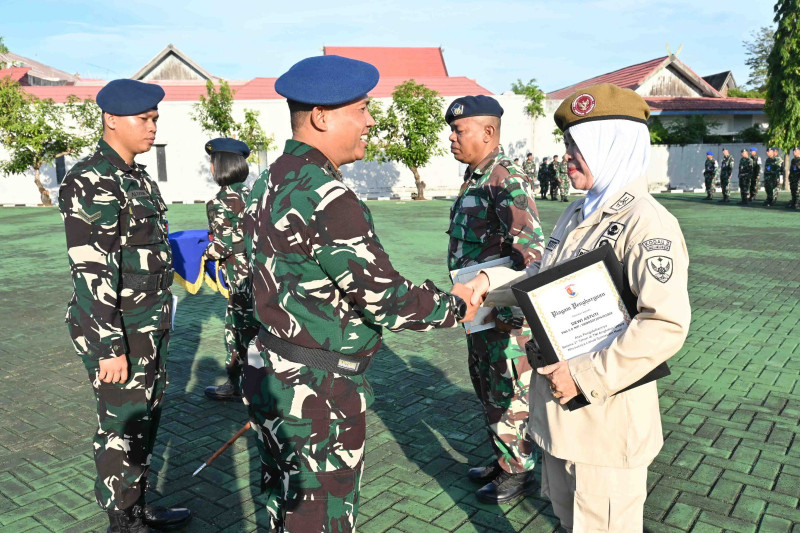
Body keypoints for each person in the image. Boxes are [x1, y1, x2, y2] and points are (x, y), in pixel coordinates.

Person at [241, 55, 478, 532]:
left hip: (271, 370)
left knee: (283, 505)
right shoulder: (327, 194)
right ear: (322, 117)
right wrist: (457, 305)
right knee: (320, 516)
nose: (371, 122)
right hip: (317, 390)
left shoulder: (270, 178)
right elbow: (385, 299)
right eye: (363, 110)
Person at [465, 84, 690, 531]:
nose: (566, 156)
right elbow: (546, 277)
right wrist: (488, 283)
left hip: (605, 421)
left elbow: (664, 324)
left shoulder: (647, 223)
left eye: (578, 146)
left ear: (613, 146)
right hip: (562, 418)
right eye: (567, 145)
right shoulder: (577, 212)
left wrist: (584, 375)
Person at [58, 79, 191, 533]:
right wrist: (110, 345)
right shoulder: (91, 179)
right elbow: (92, 271)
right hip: (118, 327)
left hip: (148, 321)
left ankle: (137, 503)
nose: (153, 127)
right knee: (122, 421)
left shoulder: (136, 176)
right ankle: (122, 518)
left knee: (146, 413)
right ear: (112, 120)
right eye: (144, 119)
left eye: (155, 119)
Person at [445, 95, 544, 503]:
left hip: (501, 311)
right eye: (451, 130)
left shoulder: (505, 177)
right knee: (487, 384)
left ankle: (519, 470)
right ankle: (503, 458)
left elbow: (531, 251)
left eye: (459, 130)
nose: (451, 138)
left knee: (508, 389)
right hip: (481, 310)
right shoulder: (477, 177)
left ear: (488, 133)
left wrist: (506, 308)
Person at [202, 138, 260, 401]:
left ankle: (238, 385)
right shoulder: (256, 195)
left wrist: (199, 254)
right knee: (259, 330)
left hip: (239, 280)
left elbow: (223, 244)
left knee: (235, 330)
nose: (211, 168)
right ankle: (259, 383)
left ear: (220, 166)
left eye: (213, 163)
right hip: (262, 276)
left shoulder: (218, 201)